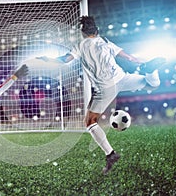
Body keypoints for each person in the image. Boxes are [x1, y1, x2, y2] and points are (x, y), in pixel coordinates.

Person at [38, 16, 166, 175]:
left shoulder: (80, 46)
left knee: (90, 122)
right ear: (97, 31)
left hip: (105, 88)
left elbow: (64, 60)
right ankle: (151, 71)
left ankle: (110, 154)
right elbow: (129, 57)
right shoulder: (105, 41)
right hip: (122, 78)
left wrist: (47, 60)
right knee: (152, 85)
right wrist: (141, 62)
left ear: (83, 33)